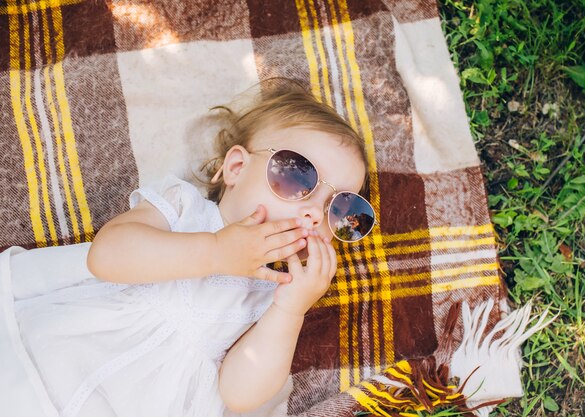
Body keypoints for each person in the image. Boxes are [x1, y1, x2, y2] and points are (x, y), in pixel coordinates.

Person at [1, 80, 376, 417]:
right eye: (298, 175)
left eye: (341, 209)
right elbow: (105, 257)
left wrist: (291, 310)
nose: (314, 213)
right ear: (236, 168)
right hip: (59, 353)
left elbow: (240, 395)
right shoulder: (183, 209)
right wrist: (215, 252)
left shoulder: (273, 294)